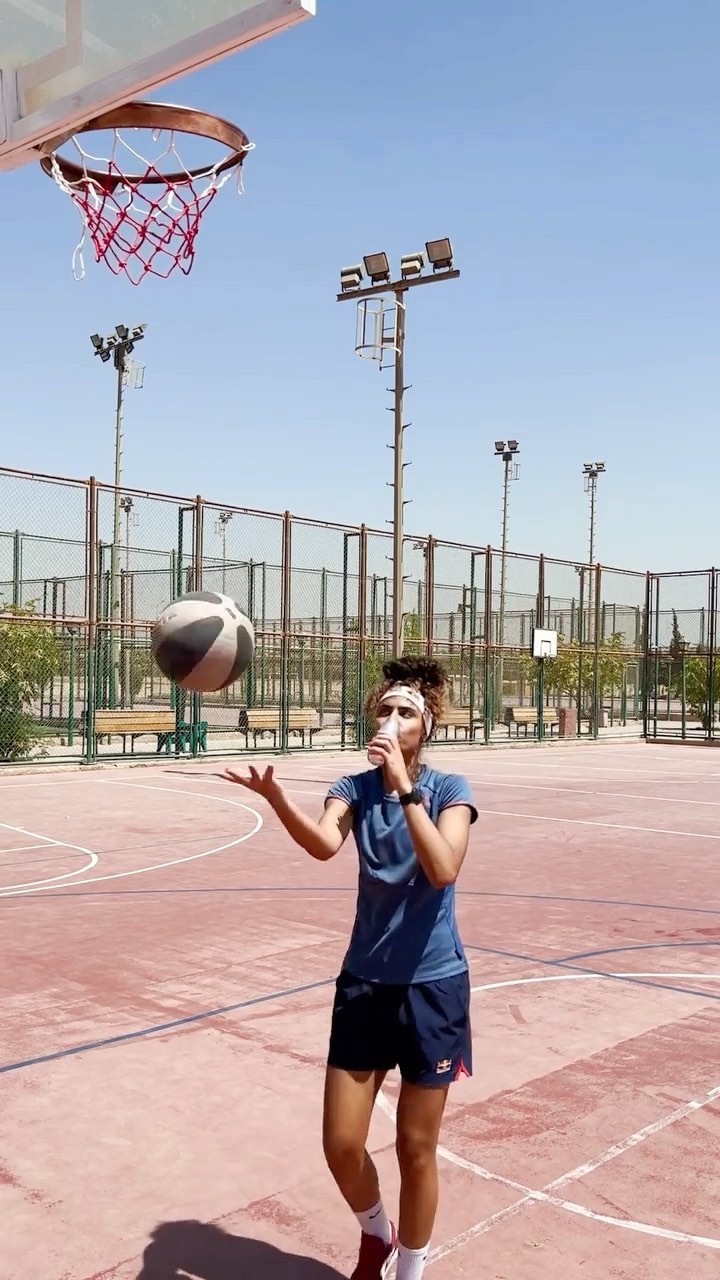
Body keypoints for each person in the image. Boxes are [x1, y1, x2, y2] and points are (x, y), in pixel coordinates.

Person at [224, 657, 477, 1280]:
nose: (391, 720)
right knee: (340, 1142)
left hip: (432, 987)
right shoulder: (354, 788)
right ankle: (376, 1232)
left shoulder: (450, 790)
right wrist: (278, 799)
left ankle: (410, 1268)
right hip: (365, 982)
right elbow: (322, 844)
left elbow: (443, 867)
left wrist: (405, 787)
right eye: (384, 709)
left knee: (416, 1147)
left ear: (426, 725)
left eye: (406, 712)